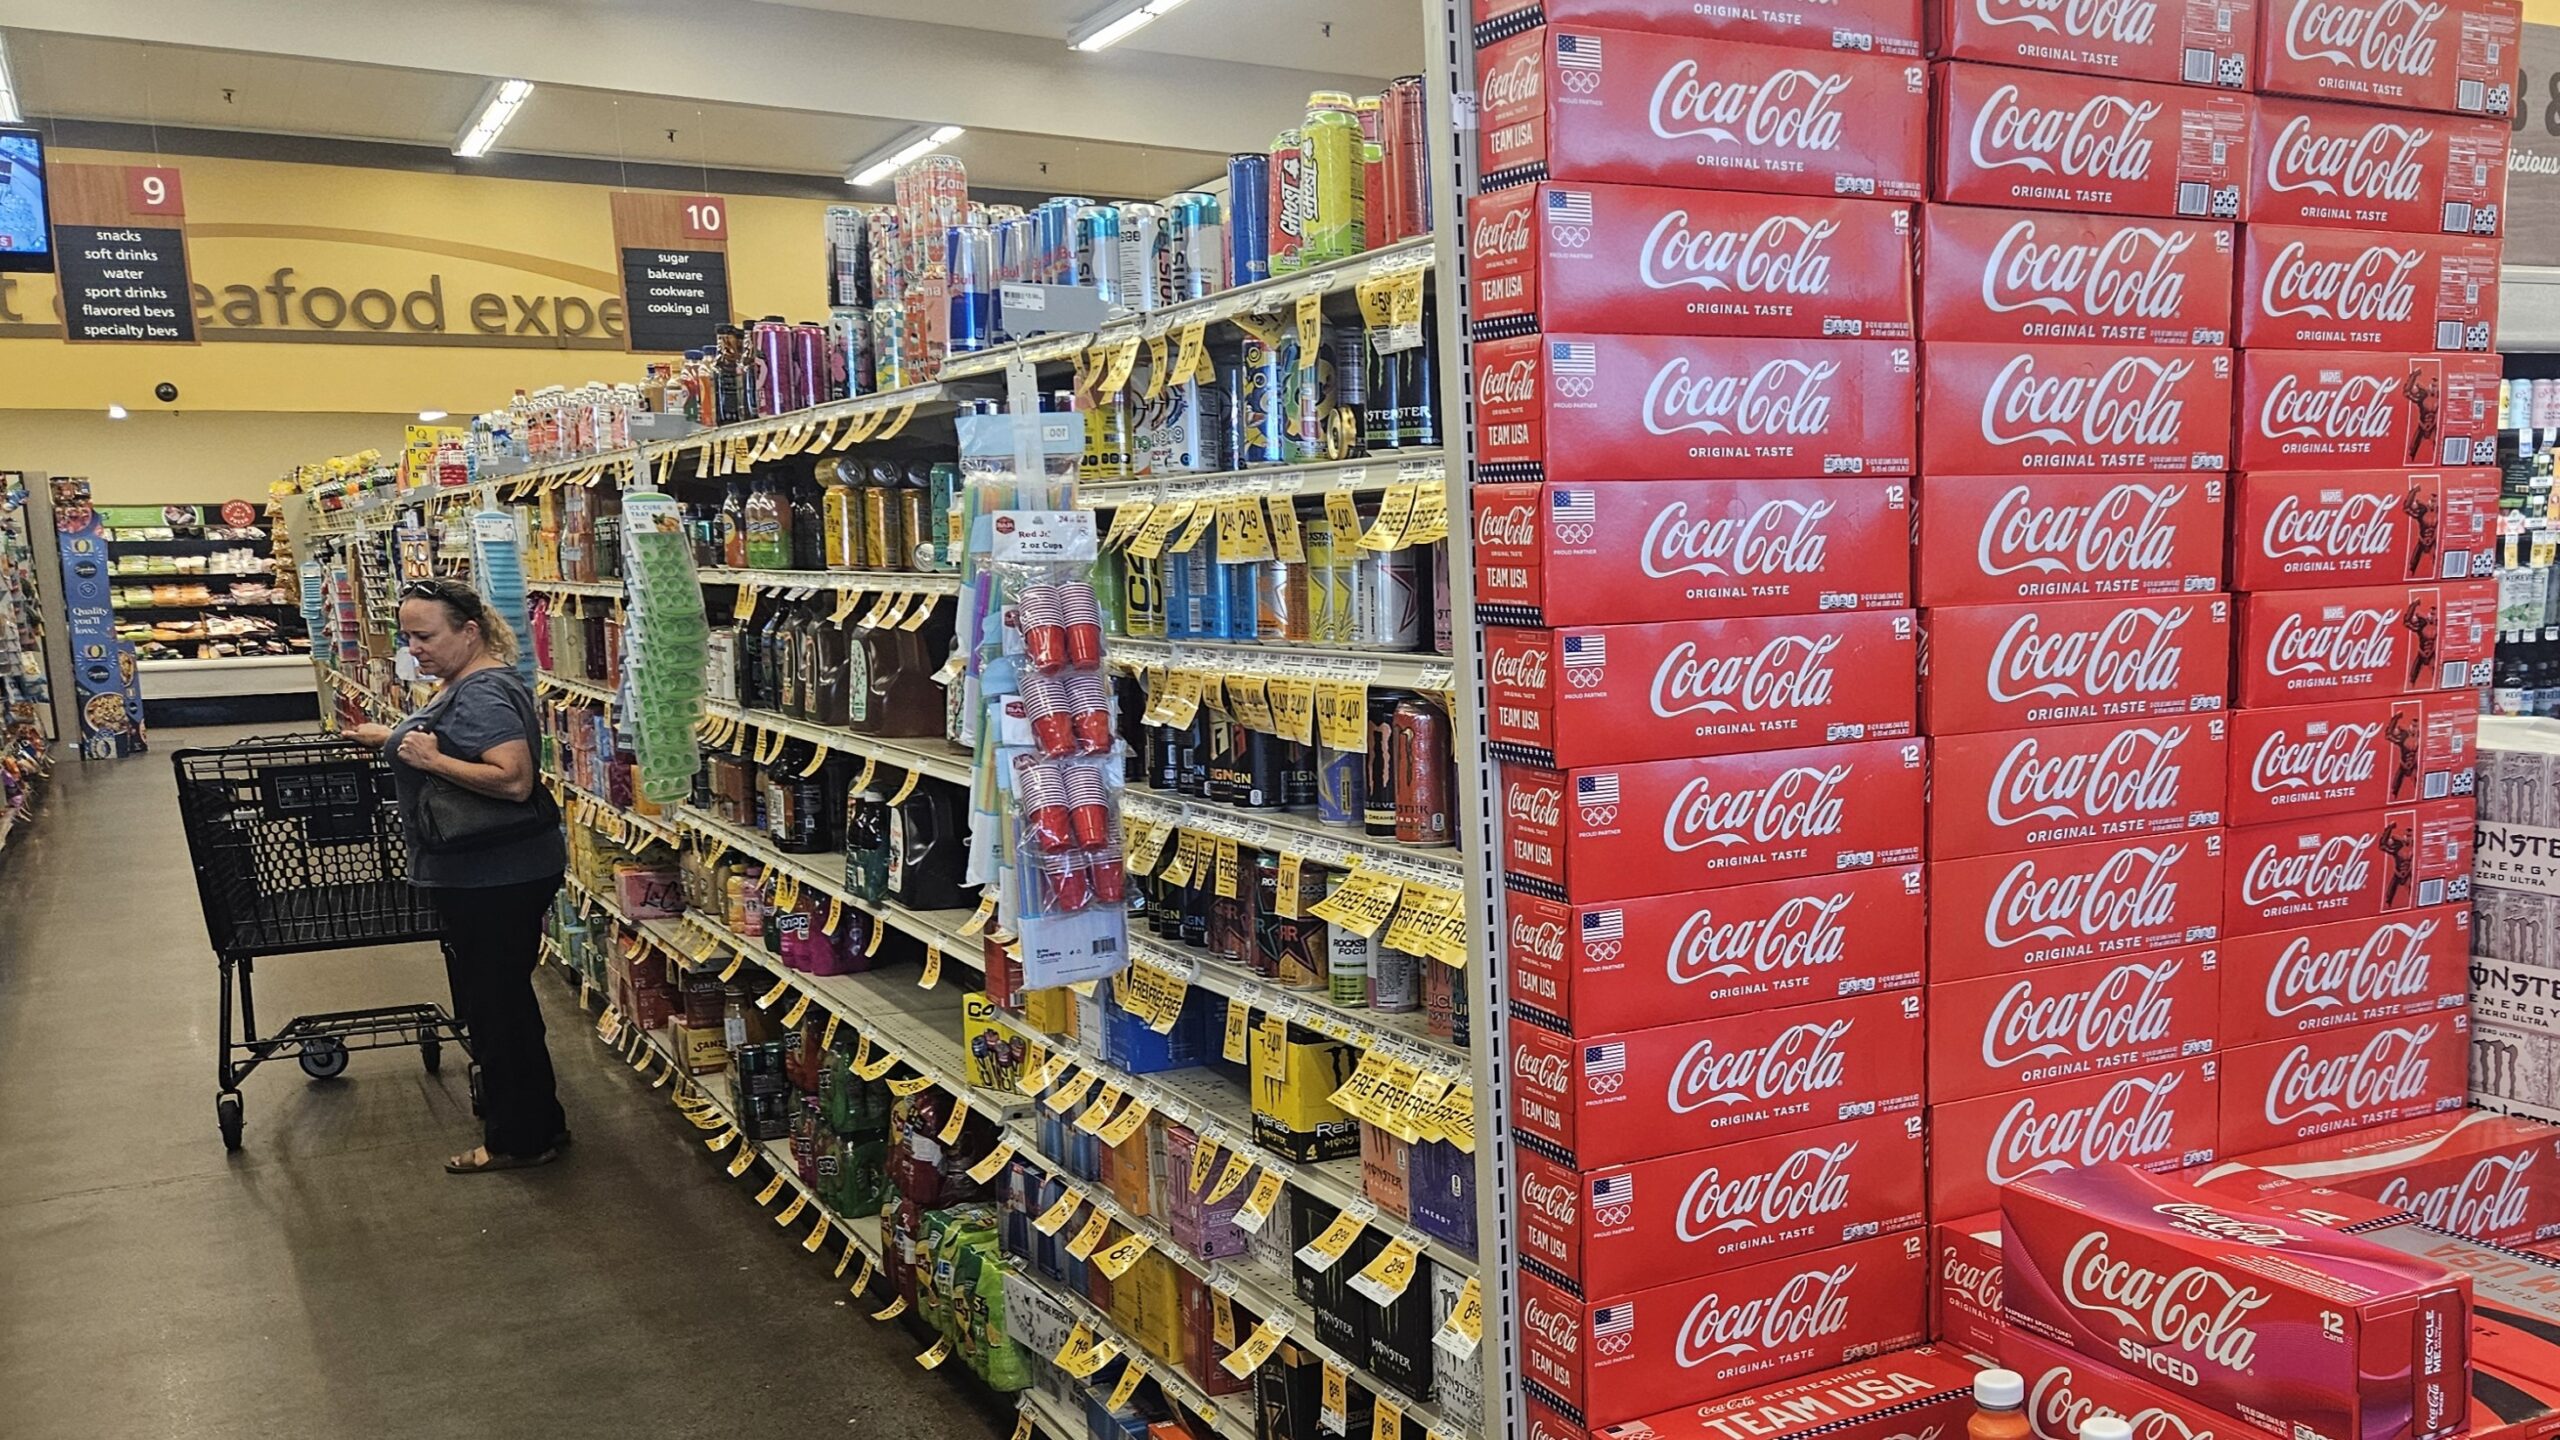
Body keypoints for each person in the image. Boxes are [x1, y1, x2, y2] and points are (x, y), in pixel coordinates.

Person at [351, 577, 569, 1174]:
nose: (414, 648)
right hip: (493, 873)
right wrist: (392, 737)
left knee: (494, 1008)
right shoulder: (467, 682)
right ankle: (538, 1122)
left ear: (469, 631)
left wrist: (428, 758)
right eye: (407, 637)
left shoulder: (482, 693)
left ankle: (517, 1140)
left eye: (425, 636)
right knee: (506, 1001)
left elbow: (514, 779)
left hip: (493, 877)